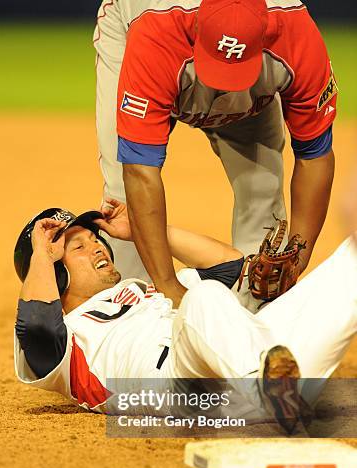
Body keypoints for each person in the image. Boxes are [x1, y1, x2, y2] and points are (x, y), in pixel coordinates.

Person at [14, 201, 356, 434]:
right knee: (204, 297)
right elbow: (38, 325)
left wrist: (144, 229)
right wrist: (41, 256)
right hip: (189, 391)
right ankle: (266, 389)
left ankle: (274, 390)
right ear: (56, 276)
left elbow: (234, 269)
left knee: (351, 258)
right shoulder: (69, 341)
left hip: (257, 375)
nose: (98, 248)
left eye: (94, 239)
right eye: (78, 248)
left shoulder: (146, 293)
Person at [94, 0, 337, 309]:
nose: (222, 83)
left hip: (252, 63)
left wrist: (297, 257)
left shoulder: (296, 38)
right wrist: (169, 286)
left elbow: (314, 155)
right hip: (137, 33)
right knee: (122, 197)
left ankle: (255, 317)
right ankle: (132, 317)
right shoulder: (156, 36)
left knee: (262, 185)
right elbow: (140, 171)